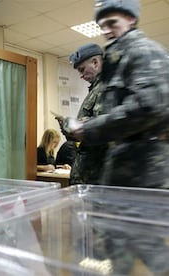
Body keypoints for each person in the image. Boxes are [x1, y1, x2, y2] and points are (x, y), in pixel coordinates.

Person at [61, 0, 169, 274]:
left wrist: (89, 129)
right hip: (121, 172)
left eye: (113, 23)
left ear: (131, 20)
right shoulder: (119, 61)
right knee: (116, 245)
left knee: (149, 247)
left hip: (142, 173)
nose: (106, 30)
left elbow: (149, 107)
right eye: (103, 25)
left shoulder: (144, 52)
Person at [60, 43, 108, 185]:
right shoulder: (95, 90)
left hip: (96, 175)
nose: (82, 76)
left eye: (82, 70)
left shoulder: (107, 88)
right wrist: (68, 128)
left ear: (95, 62)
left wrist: (74, 126)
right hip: (87, 173)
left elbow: (102, 127)